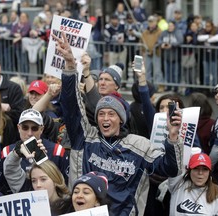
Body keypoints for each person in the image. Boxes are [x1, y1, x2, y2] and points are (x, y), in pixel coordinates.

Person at [54, 31, 183, 216]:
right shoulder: (85, 138)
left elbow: (171, 169)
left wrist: (172, 137)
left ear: (122, 119)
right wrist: (69, 66)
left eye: (112, 114)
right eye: (102, 114)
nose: (105, 119)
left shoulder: (141, 147)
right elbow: (71, 106)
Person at [0, 108, 69, 195]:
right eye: (25, 127)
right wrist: (17, 153)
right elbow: (0, 188)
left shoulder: (56, 150)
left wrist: (43, 159)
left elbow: (65, 185)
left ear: (41, 129)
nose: (29, 133)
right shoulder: (7, 151)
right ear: (18, 128)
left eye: (34, 128)